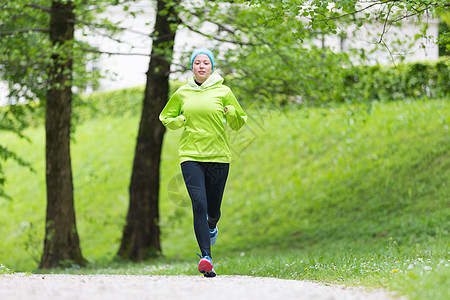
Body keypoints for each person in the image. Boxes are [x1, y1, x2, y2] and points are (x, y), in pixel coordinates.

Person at [159, 49, 247, 277]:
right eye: (197, 62)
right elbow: (165, 116)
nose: (201, 66)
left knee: (213, 210)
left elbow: (239, 122)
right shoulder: (182, 93)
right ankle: (206, 257)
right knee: (198, 204)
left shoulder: (224, 91)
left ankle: (212, 226)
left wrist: (231, 113)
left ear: (211, 67)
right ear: (192, 67)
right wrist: (179, 120)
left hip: (218, 157)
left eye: (205, 63)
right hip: (190, 157)